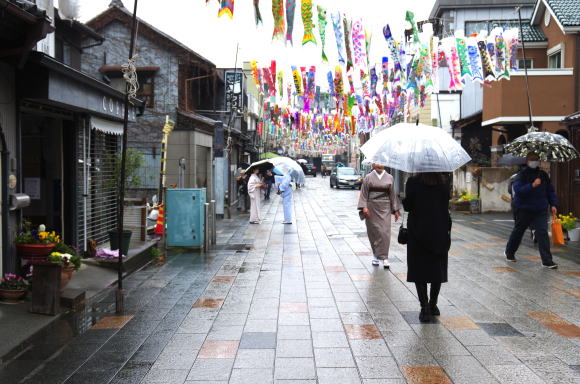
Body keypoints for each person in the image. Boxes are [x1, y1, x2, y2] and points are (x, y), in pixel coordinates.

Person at [403, 172, 451, 323]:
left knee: (420, 269)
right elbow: (445, 202)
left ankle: (424, 308)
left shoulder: (413, 181)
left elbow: (408, 206)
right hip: (440, 229)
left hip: (418, 230)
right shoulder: (444, 180)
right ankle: (433, 305)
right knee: (438, 267)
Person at [505, 153, 558, 268]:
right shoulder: (521, 175)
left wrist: (553, 204)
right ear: (527, 160)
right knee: (519, 231)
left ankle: (547, 260)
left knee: (542, 233)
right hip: (524, 208)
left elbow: (550, 190)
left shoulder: (543, 175)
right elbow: (518, 191)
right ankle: (510, 252)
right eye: (532, 159)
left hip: (540, 209)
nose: (535, 161)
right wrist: (532, 185)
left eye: (536, 159)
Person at [357, 163, 400, 268]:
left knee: (384, 232)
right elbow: (363, 193)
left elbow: (393, 194)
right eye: (377, 163)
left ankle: (385, 257)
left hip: (385, 207)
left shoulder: (390, 177)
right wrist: (364, 207)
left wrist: (396, 209)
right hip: (371, 208)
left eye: (381, 163)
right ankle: (375, 256)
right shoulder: (368, 177)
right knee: (374, 232)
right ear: (373, 164)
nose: (379, 165)